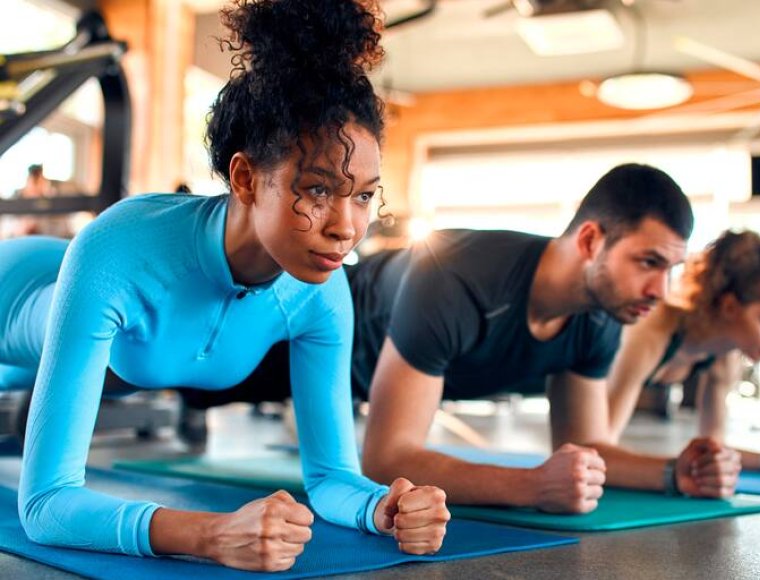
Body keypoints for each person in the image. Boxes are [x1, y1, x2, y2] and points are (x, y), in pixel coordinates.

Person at [0, 0, 448, 571]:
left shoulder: (321, 294)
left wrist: (380, 507)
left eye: (362, 195)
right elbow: (44, 504)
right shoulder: (120, 249)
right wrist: (210, 535)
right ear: (245, 177)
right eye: (316, 190)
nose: (346, 227)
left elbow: (332, 477)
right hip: (14, 285)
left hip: (69, 354)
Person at [355, 163, 697, 513]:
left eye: (672, 269)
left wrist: (678, 473)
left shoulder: (601, 316)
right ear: (590, 241)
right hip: (323, 350)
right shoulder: (453, 277)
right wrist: (533, 485)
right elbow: (386, 460)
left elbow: (586, 445)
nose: (661, 291)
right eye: (648, 262)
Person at [598, 230, 760, 497]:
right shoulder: (650, 334)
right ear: (729, 307)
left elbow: (715, 448)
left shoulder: (723, 355)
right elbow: (598, 450)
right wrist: (676, 473)